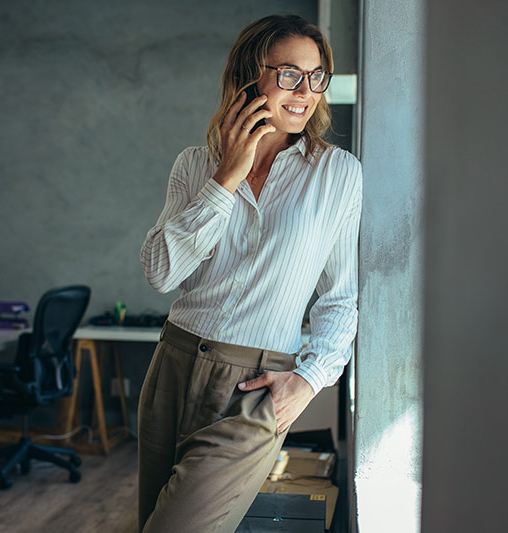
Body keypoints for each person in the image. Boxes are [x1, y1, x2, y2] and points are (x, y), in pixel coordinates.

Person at [138, 14, 362, 532]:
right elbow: (161, 273)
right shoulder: (196, 164)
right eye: (288, 74)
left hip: (255, 388)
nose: (304, 91)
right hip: (173, 364)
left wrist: (309, 381)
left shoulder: (337, 174)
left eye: (315, 75)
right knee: (150, 519)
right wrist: (226, 179)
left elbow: (340, 297)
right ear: (249, 76)